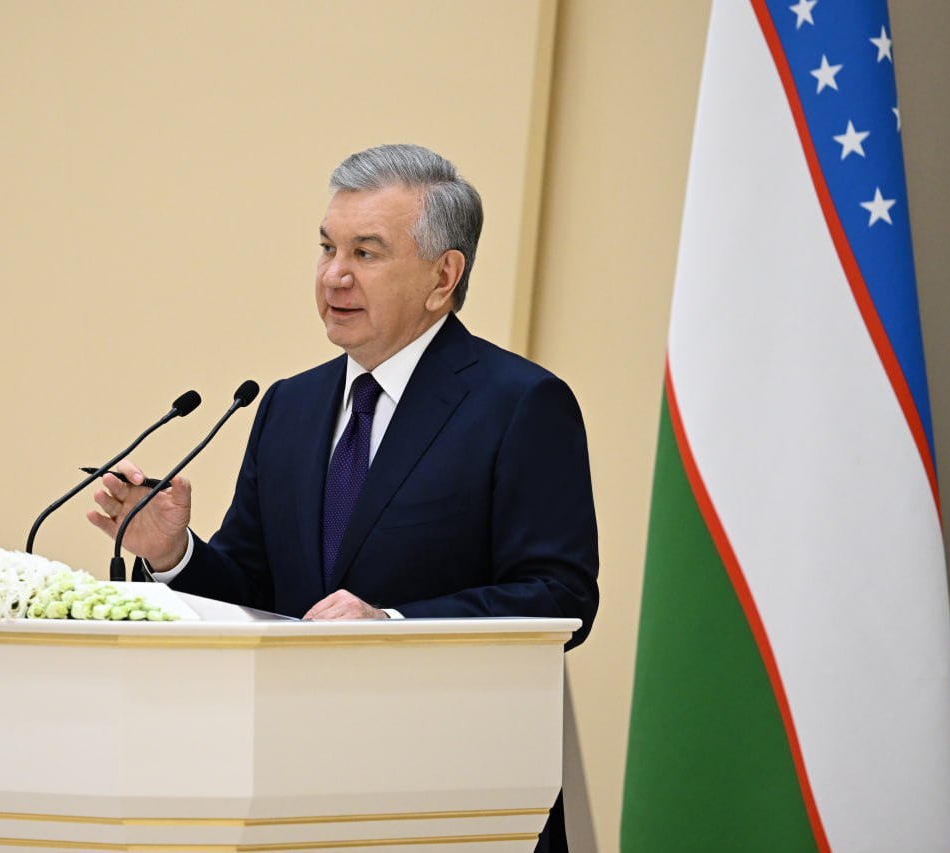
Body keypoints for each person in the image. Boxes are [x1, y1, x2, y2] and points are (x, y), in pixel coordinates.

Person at [88, 143, 599, 851]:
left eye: (366, 252)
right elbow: (255, 589)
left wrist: (391, 623)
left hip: (455, 795)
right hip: (293, 792)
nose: (334, 275)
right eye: (328, 247)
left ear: (443, 276)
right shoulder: (288, 406)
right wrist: (174, 554)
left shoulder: (519, 403)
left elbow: (559, 594)